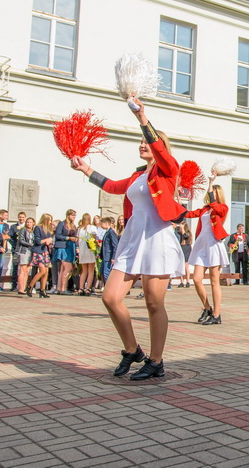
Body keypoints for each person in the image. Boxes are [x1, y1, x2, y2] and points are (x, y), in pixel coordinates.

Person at [71, 97, 187, 380]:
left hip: (157, 239)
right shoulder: (138, 176)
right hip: (133, 239)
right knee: (110, 297)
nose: (142, 144)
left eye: (148, 141)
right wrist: (85, 169)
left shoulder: (168, 169)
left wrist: (141, 117)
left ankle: (156, 361)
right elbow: (113, 186)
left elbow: (161, 151)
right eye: (141, 141)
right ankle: (132, 349)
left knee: (153, 304)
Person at [185, 184, 229, 325]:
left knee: (214, 281)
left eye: (214, 193)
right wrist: (178, 204)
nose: (212, 194)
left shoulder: (222, 208)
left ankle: (216, 314)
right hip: (202, 245)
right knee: (197, 279)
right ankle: (207, 308)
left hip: (213, 244)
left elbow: (216, 207)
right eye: (211, 192)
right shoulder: (205, 209)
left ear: (218, 194)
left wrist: (210, 183)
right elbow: (190, 214)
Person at [28, 213, 54, 298]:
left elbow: (49, 240)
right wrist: (46, 240)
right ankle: (30, 286)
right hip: (38, 251)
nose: (50, 222)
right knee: (42, 271)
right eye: (49, 220)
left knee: (46, 272)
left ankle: (42, 290)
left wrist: (50, 241)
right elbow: (37, 241)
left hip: (45, 251)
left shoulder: (48, 229)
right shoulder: (38, 228)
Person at [53, 209, 78, 294]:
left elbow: (75, 236)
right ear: (68, 215)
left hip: (70, 247)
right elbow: (58, 235)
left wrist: (76, 244)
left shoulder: (73, 225)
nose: (74, 217)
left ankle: (60, 288)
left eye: (75, 215)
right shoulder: (62, 223)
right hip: (63, 247)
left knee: (63, 268)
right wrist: (68, 238)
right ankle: (63, 288)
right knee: (67, 267)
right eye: (72, 215)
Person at [77, 213, 99, 295]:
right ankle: (88, 288)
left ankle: (81, 288)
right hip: (90, 250)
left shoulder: (80, 229)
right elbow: (94, 238)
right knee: (91, 271)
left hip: (82, 251)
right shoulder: (92, 227)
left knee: (84, 270)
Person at [15, 217, 36, 296]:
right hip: (24, 251)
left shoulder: (34, 231)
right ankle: (20, 288)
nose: (29, 224)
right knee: (22, 270)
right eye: (27, 222)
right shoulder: (23, 230)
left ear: (33, 223)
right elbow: (21, 240)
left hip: (31, 252)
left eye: (30, 222)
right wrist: (31, 245)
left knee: (27, 271)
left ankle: (24, 288)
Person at [8, 211, 26, 291]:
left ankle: (23, 285)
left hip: (25, 250)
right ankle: (14, 285)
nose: (21, 219)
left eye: (23, 217)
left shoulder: (27, 226)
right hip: (16, 250)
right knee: (15, 267)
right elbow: (9, 237)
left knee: (24, 268)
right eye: (20, 217)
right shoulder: (13, 227)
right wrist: (14, 245)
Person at [99, 216, 119, 289]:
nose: (101, 225)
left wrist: (113, 257)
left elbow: (115, 245)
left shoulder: (111, 232)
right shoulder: (107, 232)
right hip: (105, 256)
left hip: (109, 256)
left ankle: (109, 289)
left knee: (106, 273)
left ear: (106, 223)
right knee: (103, 273)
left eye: (102, 224)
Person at [177, 222, 192, 287]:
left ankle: (188, 281)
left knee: (186, 266)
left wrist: (183, 230)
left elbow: (185, 237)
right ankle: (182, 282)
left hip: (186, 250)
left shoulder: (188, 233)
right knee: (180, 266)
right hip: (181, 249)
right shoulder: (178, 234)